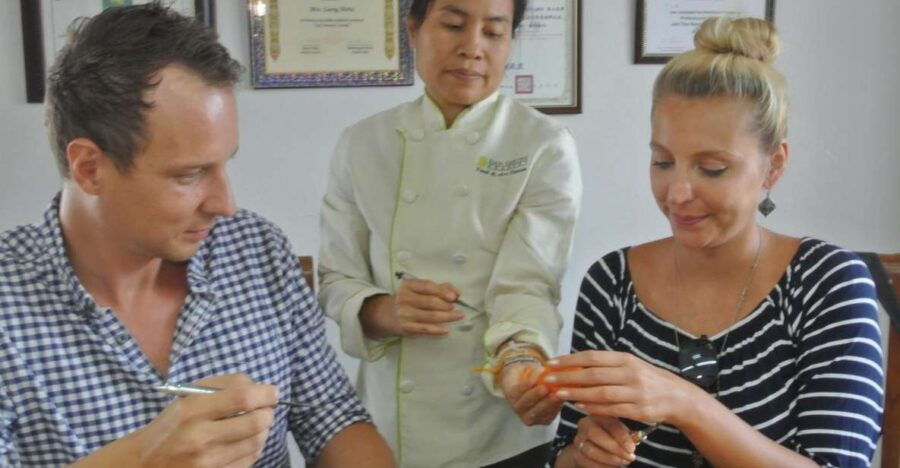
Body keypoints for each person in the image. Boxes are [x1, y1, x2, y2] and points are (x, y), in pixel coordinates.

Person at [0, 4, 394, 467]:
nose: (225, 204)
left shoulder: (255, 250)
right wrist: (144, 457)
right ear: (90, 168)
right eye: (190, 175)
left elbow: (332, 418)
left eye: (226, 162)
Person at [547, 17, 883, 468]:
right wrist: (585, 451)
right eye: (663, 161)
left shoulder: (828, 284)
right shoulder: (611, 282)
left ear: (773, 166)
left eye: (712, 169)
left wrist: (686, 404)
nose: (678, 193)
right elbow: (564, 453)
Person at [317, 0, 581, 465]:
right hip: (385, 429)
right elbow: (336, 278)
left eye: (494, 33)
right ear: (414, 28)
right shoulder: (362, 143)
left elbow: (528, 284)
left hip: (494, 427)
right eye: (454, 25)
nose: (472, 49)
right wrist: (384, 311)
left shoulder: (543, 146)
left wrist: (521, 361)